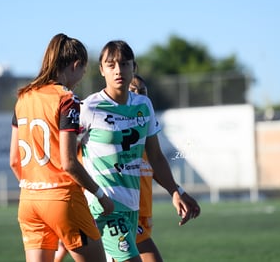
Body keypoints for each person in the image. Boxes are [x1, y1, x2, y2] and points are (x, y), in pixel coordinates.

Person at [78, 40, 198, 262]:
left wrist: (175, 191)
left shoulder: (144, 105)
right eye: (111, 65)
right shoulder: (88, 108)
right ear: (101, 70)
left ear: (133, 67)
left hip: (132, 206)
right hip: (104, 207)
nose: (118, 70)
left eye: (124, 64)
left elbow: (155, 156)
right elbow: (65, 156)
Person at [9, 33, 114, 262]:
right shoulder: (67, 99)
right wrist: (100, 195)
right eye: (83, 71)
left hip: (28, 201)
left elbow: (14, 161)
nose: (80, 78)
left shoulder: (23, 98)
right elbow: (68, 162)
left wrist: (36, 188)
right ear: (75, 65)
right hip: (62, 199)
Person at [129, 74, 201, 262]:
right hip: (120, 214)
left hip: (141, 215)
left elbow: (155, 164)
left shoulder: (144, 131)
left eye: (143, 91)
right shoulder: (114, 130)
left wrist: (178, 192)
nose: (139, 95)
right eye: (132, 91)